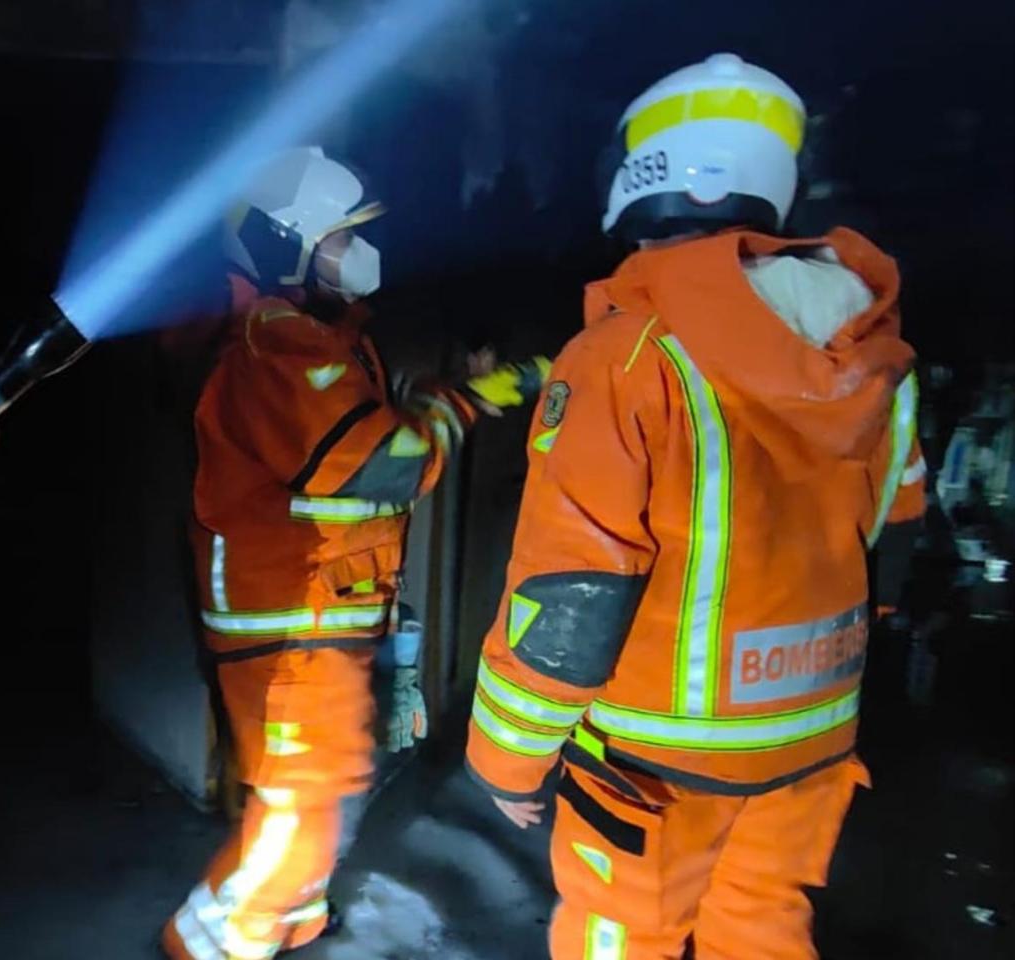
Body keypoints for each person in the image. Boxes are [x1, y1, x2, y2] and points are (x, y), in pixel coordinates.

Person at [464, 53, 926, 959]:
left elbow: (571, 591)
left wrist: (507, 759)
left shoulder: (624, 358)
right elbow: (893, 549)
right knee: (761, 935)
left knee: (618, 938)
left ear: (643, 178)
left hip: (651, 762)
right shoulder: (873, 354)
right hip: (811, 739)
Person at [162, 146, 547, 960]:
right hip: (291, 616)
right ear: (284, 242)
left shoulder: (320, 340)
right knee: (306, 798)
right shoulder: (280, 344)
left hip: (318, 612)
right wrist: (468, 401)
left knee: (307, 793)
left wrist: (452, 397)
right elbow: (384, 467)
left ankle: (284, 922)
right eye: (342, 238)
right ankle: (216, 941)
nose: (360, 256)